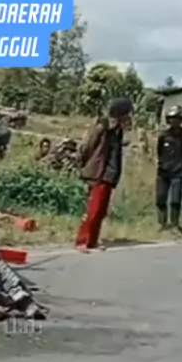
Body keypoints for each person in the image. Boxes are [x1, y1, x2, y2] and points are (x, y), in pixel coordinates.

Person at [75, 97, 133, 251]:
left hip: (110, 174)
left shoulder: (118, 130)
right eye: (127, 114)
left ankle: (93, 241)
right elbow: (87, 146)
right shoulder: (103, 127)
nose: (129, 117)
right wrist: (86, 166)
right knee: (93, 210)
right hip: (99, 173)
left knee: (101, 210)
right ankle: (82, 241)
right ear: (120, 113)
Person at [156, 105, 182, 230]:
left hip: (179, 172)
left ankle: (175, 224)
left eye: (176, 118)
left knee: (175, 200)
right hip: (163, 172)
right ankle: (162, 224)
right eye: (172, 118)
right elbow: (159, 151)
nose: (174, 121)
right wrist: (162, 164)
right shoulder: (163, 135)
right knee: (161, 198)